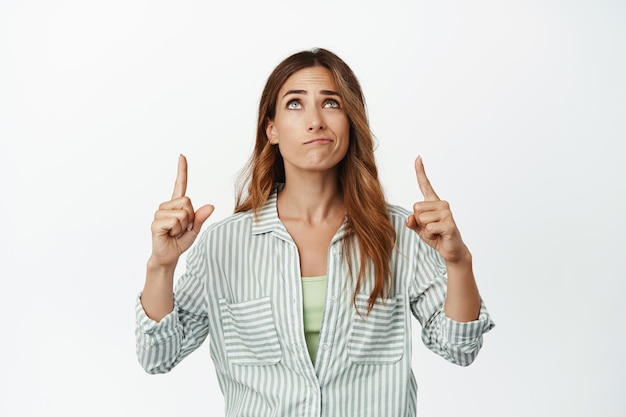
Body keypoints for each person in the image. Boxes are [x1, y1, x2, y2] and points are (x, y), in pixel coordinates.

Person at [135, 47, 495, 416]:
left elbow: (459, 348)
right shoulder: (224, 245)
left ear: (351, 121)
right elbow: (158, 356)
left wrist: (458, 261)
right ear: (271, 129)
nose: (315, 121)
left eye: (331, 104)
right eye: (294, 104)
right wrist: (161, 266)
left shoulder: (399, 234)